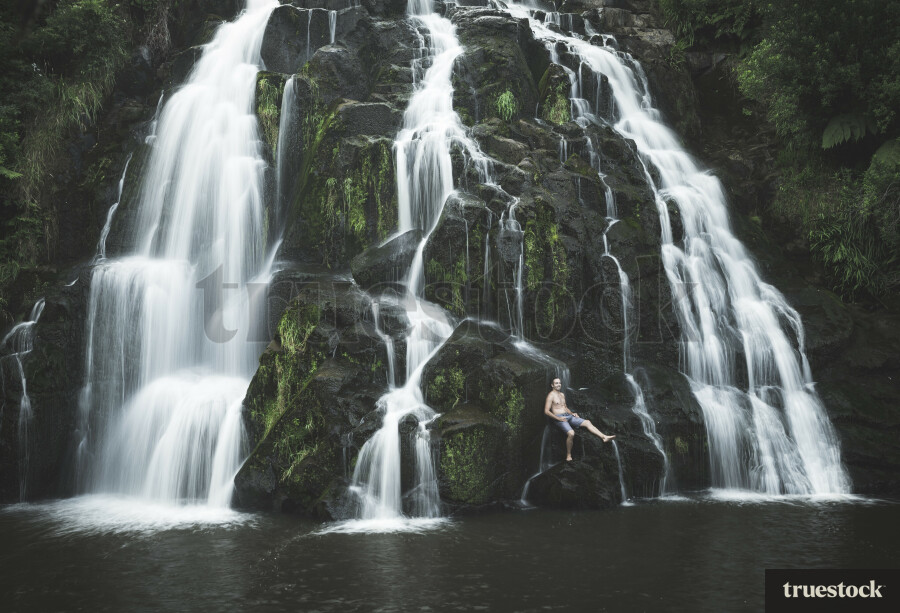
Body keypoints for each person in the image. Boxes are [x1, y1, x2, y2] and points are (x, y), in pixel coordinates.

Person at [544, 377, 614, 461]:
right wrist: (558, 419)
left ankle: (604, 437)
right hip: (559, 418)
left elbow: (565, 407)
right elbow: (546, 411)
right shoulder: (550, 395)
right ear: (552, 385)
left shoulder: (562, 395)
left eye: (559, 383)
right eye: (556, 383)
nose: (558, 384)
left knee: (587, 422)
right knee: (571, 433)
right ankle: (568, 455)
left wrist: (572, 413)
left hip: (568, 416)